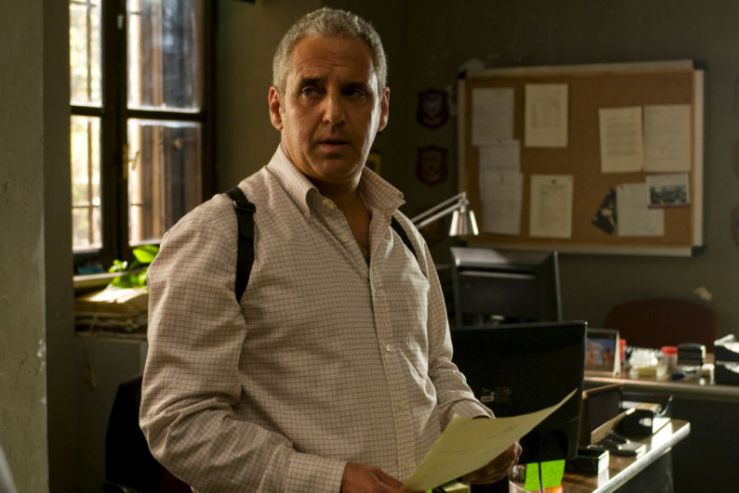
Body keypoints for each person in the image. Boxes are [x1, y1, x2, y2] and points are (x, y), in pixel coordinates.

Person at [140, 7, 520, 493]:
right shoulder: (220, 234)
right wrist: (329, 481)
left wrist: (475, 426)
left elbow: (435, 369)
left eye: (354, 92)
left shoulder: (403, 235)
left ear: (382, 109)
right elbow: (178, 425)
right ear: (277, 107)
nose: (333, 113)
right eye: (311, 89)